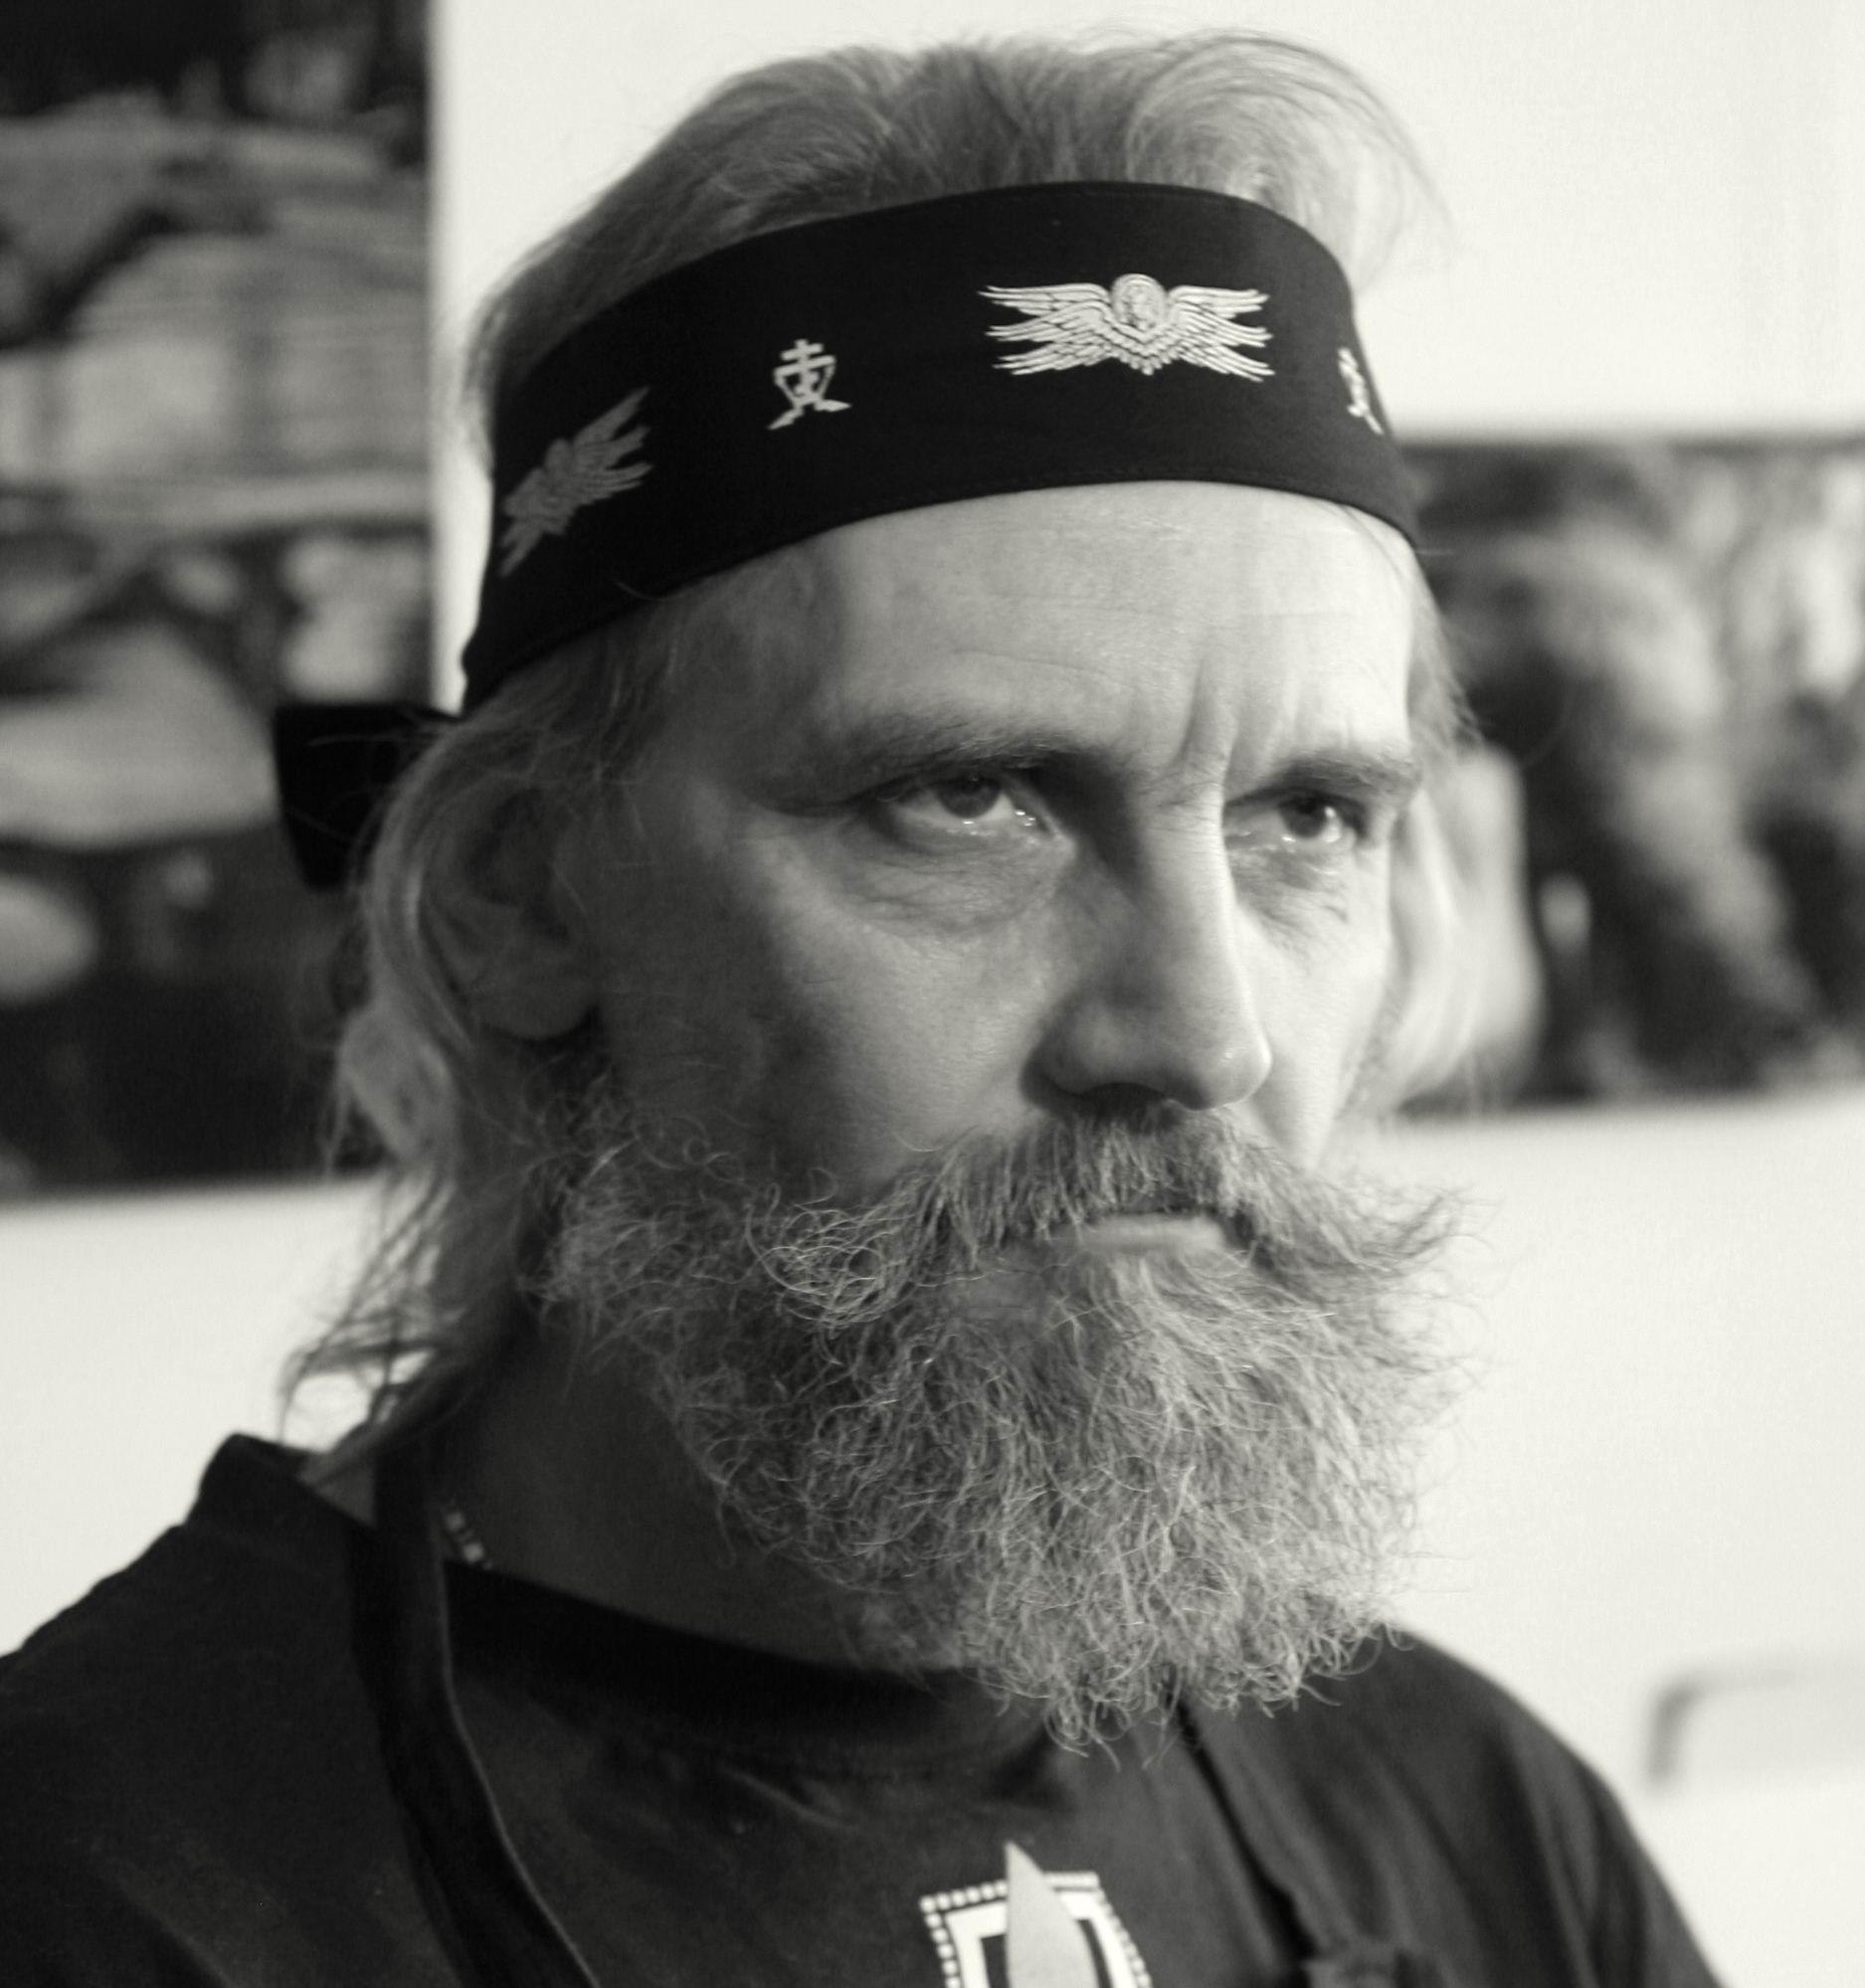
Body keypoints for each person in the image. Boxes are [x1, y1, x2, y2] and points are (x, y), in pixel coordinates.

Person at [0, 33, 1720, 1987]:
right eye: (968, 795)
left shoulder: (1475, 1824)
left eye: (1304, 817)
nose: (1203, 1034)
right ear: (514, 894)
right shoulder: (109, 1893)